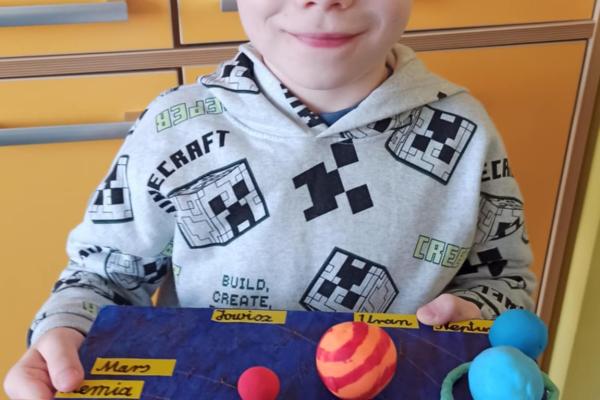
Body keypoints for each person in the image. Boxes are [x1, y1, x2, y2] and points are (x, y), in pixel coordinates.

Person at [4, 0, 536, 398]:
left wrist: (478, 314)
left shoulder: (465, 130)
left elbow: (505, 281)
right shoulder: (172, 126)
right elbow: (104, 278)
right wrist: (65, 329)